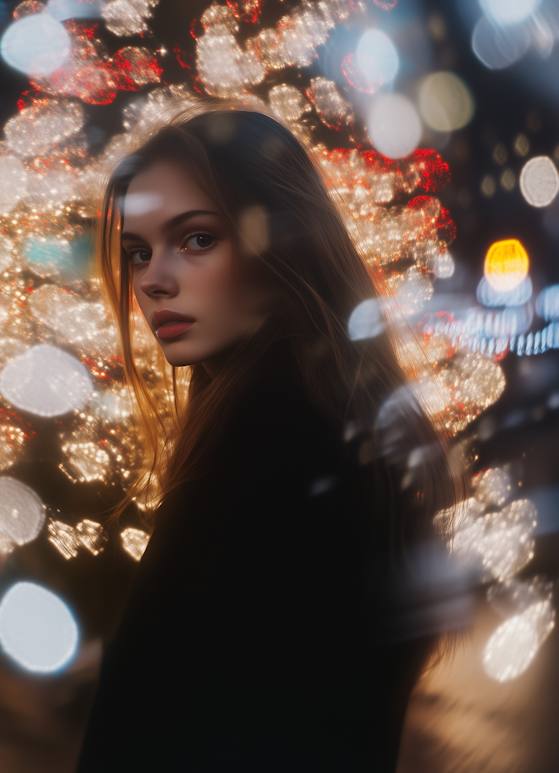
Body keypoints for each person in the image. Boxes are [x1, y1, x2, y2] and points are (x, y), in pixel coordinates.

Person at [77, 103, 461, 772]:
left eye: (196, 239)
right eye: (137, 252)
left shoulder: (260, 460)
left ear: (285, 242)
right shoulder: (340, 426)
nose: (152, 279)